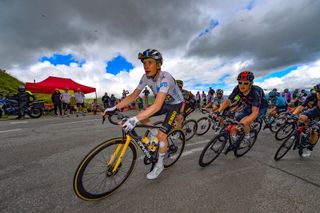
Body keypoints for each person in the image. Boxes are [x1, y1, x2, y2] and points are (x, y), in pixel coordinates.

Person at [102, 49, 183, 180]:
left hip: (175, 104)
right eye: (144, 63)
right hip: (162, 102)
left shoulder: (165, 78)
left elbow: (157, 105)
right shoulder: (145, 77)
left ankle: (160, 164)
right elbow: (133, 96)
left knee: (162, 135)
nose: (146, 66)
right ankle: (155, 135)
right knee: (142, 113)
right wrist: (114, 107)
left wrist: (134, 120)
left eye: (150, 62)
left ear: (158, 65)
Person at [217, 71, 268, 144]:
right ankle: (237, 137)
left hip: (261, 108)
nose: (242, 85)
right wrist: (218, 112)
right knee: (237, 119)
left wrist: (243, 124)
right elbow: (228, 101)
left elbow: (255, 112)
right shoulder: (237, 88)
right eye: (240, 83)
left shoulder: (256, 92)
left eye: (246, 83)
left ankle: (247, 136)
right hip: (249, 105)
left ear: (251, 83)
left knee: (243, 121)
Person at [293, 84, 320, 157]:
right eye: (319, 92)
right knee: (301, 117)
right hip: (316, 111)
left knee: (315, 131)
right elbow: (301, 106)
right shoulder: (312, 95)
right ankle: (301, 132)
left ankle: (310, 148)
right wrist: (294, 114)